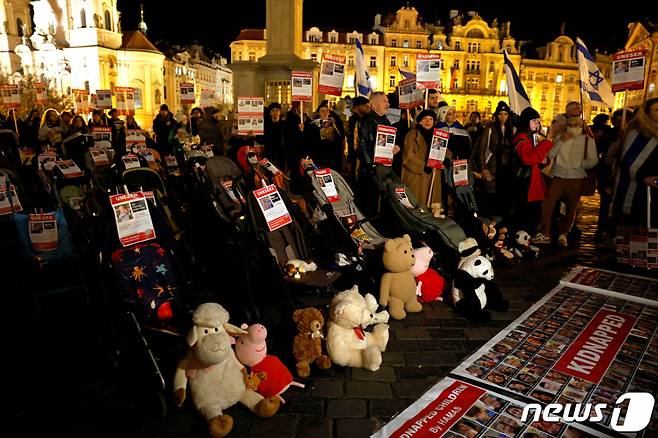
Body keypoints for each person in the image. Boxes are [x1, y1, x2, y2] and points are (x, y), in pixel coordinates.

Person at [534, 116, 598, 246]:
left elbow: (593, 160)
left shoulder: (587, 140)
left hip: (576, 177)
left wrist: (581, 164)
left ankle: (564, 233)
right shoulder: (561, 137)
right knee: (547, 203)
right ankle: (545, 232)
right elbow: (551, 154)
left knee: (571, 207)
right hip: (559, 176)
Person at [609, 98, 658, 230]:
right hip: (639, 187)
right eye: (657, 110)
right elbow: (627, 160)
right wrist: (643, 177)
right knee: (637, 224)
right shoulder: (637, 133)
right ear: (647, 113)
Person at [511, 107, 554, 233]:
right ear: (526, 122)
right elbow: (528, 158)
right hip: (524, 185)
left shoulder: (528, 139)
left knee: (532, 216)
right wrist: (546, 144)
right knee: (525, 217)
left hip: (530, 184)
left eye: (538, 121)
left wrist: (543, 161)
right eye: (534, 120)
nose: (537, 123)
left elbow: (533, 161)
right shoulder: (521, 140)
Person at [470, 101, 515, 220]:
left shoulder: (511, 130)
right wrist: (483, 168)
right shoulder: (490, 129)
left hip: (506, 168)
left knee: (504, 198)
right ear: (496, 115)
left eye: (505, 114)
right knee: (490, 197)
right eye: (501, 114)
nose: (503, 117)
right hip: (493, 167)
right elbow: (481, 150)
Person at [402, 109, 442, 209]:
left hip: (433, 175)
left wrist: (445, 159)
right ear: (419, 121)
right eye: (424, 119)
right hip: (417, 176)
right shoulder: (412, 135)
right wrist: (424, 165)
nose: (428, 122)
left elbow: (444, 152)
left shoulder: (437, 136)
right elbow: (408, 157)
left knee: (432, 207)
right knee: (417, 205)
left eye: (431, 119)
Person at [346, 96, 371, 179]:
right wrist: (350, 159)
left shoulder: (370, 120)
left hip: (368, 162)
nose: (369, 107)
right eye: (366, 105)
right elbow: (351, 141)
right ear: (357, 107)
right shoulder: (353, 121)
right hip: (355, 160)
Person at [263, 102, 286, 170]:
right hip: (269, 153)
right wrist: (254, 135)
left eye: (277, 110)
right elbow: (262, 139)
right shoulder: (266, 125)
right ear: (270, 113)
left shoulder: (284, 125)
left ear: (280, 112)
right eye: (273, 111)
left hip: (281, 154)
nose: (275, 112)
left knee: (280, 175)